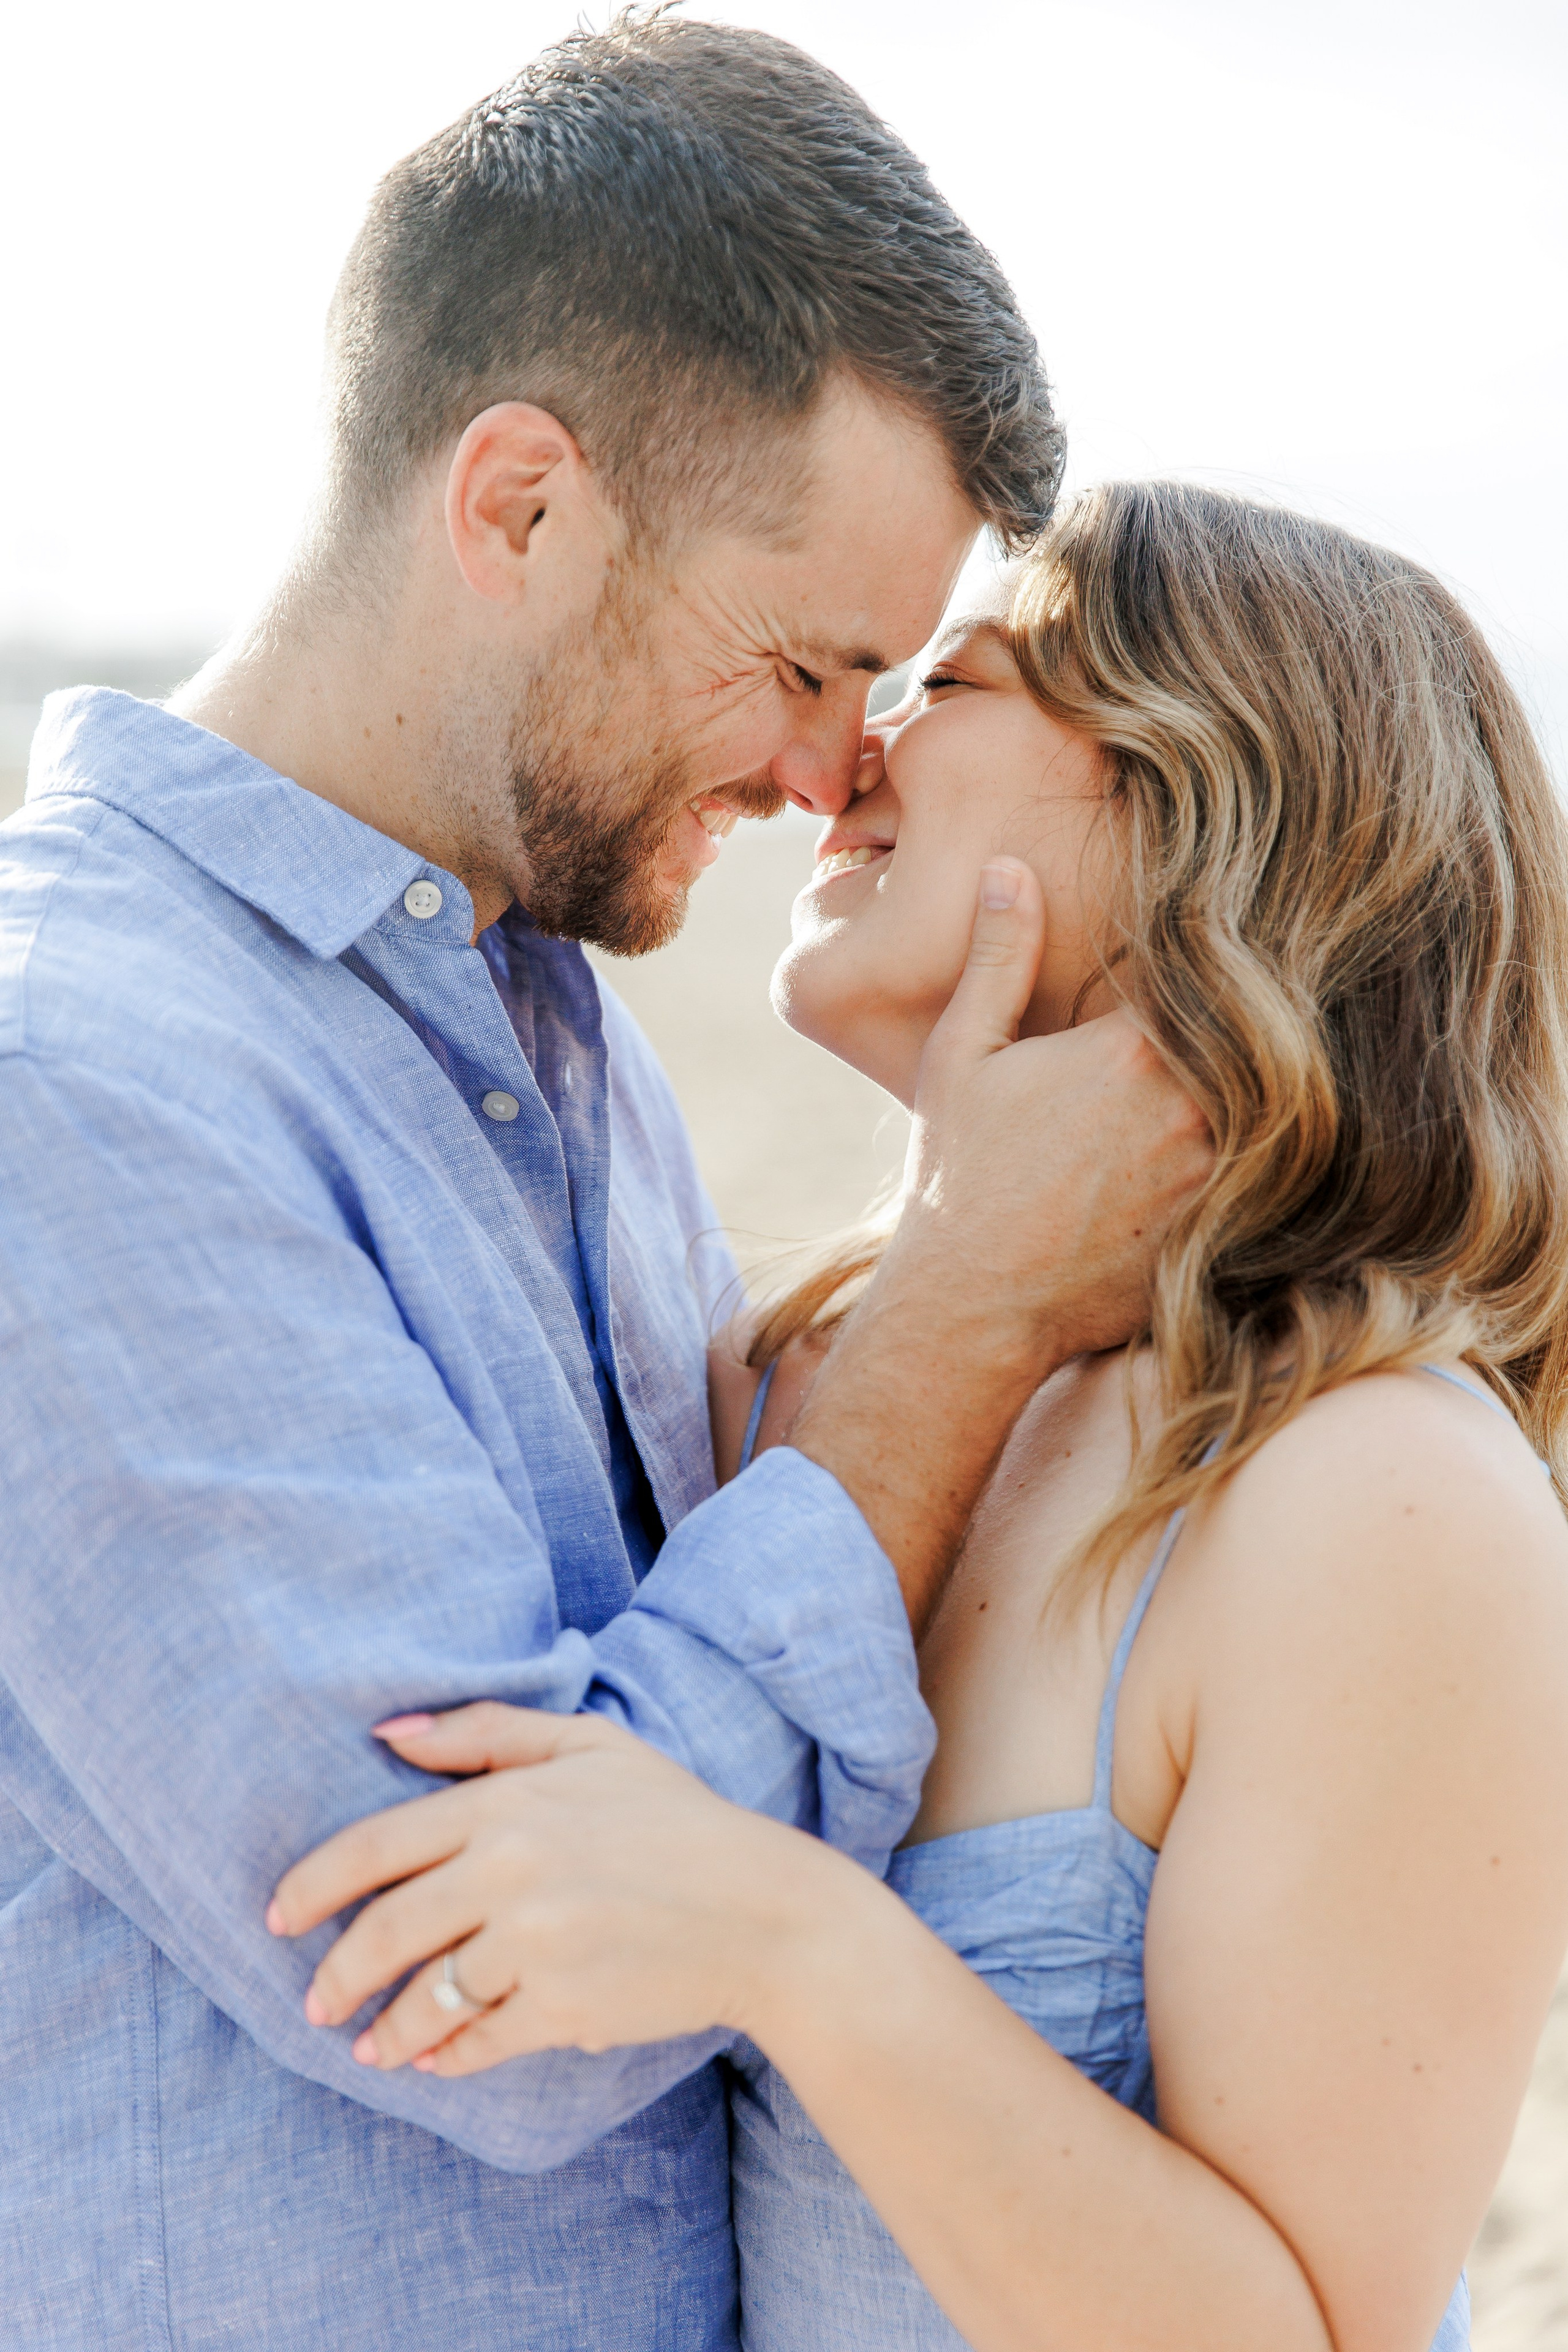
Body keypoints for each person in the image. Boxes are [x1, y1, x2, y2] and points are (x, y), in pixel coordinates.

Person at [0, 17, 1207, 2350]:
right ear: (521, 504)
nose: (836, 769)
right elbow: (514, 2008)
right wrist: (963, 1311)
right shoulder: (75, 1076)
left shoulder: (562, 1042)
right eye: (805, 660)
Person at [275, 484, 1568, 2352]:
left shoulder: (1372, 1490)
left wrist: (793, 1944)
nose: (849, 745)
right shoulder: (796, 1383)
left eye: (953, 674)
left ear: (1206, 803)